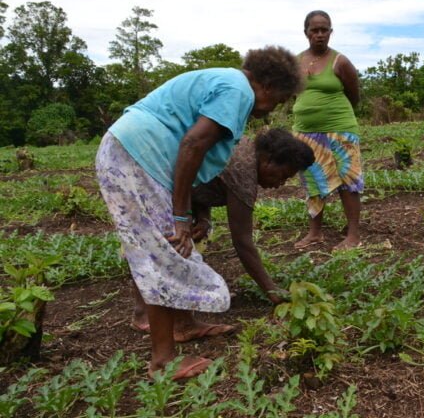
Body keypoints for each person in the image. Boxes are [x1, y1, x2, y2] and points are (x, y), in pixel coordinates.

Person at [96, 46, 303, 380]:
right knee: (164, 251)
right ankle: (162, 362)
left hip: (135, 154)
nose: (274, 108)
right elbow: (193, 144)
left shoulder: (228, 84)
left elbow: (193, 162)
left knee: (170, 249)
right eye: (279, 100)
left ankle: (183, 324)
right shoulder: (238, 90)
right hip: (137, 155)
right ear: (269, 85)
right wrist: (180, 216)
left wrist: (194, 215)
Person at [130, 128, 315, 336]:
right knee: (172, 242)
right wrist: (272, 291)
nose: (280, 185)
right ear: (269, 161)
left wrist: (203, 216)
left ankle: (145, 312)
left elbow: (200, 177)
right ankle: (177, 323)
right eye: (282, 176)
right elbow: (242, 241)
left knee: (163, 242)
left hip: (148, 167)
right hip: (152, 176)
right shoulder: (243, 171)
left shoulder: (244, 146)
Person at [292, 10, 364, 251]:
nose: (320, 34)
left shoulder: (340, 61)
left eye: (325, 30)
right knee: (313, 182)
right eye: (315, 30)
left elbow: (354, 96)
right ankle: (315, 233)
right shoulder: (296, 61)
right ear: (306, 33)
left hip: (339, 129)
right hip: (305, 133)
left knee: (348, 181)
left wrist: (334, 117)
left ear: (331, 32)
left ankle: (353, 235)